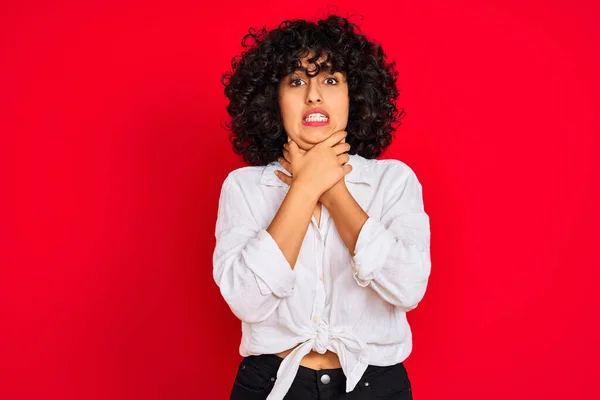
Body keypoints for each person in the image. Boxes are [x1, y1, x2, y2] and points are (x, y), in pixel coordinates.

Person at [214, 13, 431, 400]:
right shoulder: (244, 187)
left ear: (355, 95)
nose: (313, 94)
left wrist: (330, 188)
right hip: (271, 384)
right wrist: (305, 186)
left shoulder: (393, 181)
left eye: (330, 80)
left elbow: (408, 287)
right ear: (273, 100)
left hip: (375, 386)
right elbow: (247, 300)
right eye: (296, 81)